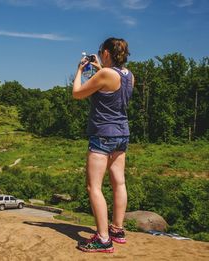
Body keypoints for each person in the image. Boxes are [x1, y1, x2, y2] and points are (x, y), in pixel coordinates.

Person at [72, 37, 134, 253]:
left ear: (106, 53)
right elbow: (113, 89)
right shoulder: (129, 75)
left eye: (101, 52)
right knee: (119, 182)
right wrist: (99, 68)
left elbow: (77, 93)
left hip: (102, 134)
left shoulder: (105, 74)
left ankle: (103, 239)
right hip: (122, 133)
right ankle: (117, 229)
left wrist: (80, 71)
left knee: (94, 186)